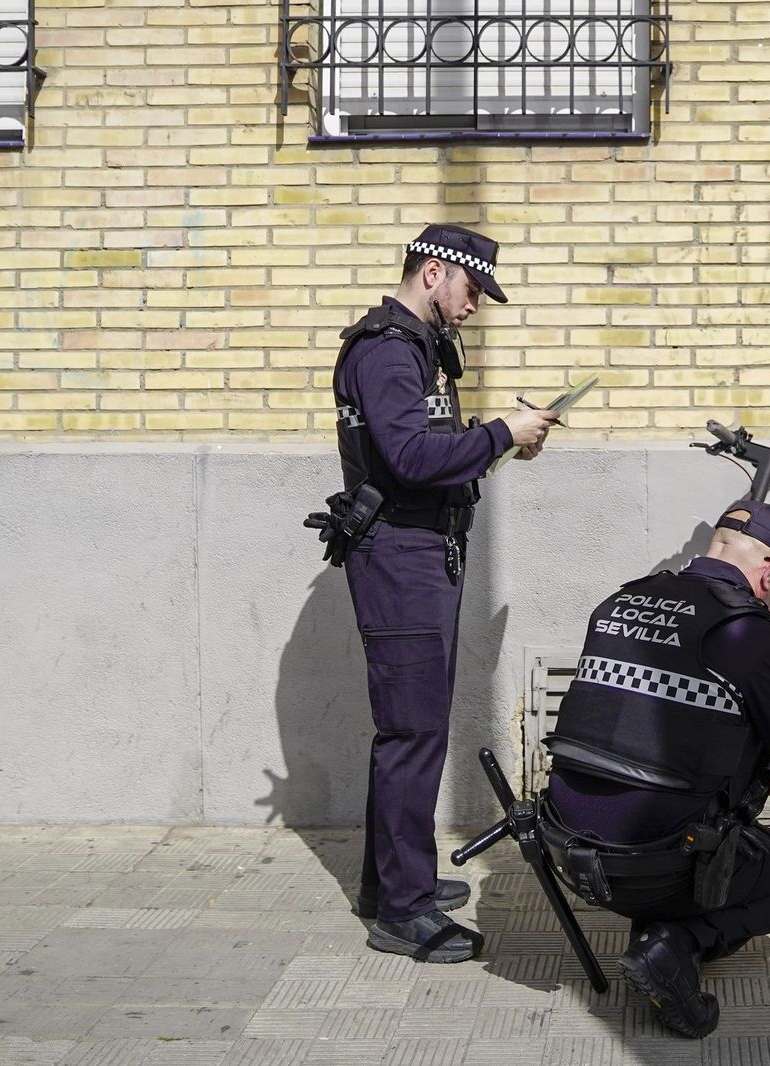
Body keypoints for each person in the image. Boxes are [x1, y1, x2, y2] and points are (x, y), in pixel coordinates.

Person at [539, 499, 770, 1037]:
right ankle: (675, 945)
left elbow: (654, 721)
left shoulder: (622, 600)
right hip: (650, 861)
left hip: (567, 847)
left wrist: (767, 762)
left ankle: (660, 928)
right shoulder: (755, 637)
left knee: (682, 828)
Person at [325, 223, 560, 963]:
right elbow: (408, 456)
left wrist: (503, 445)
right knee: (413, 734)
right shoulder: (389, 349)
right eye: (470, 291)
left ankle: (390, 883)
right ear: (434, 273)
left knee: (408, 729)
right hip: (400, 557)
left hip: (419, 551)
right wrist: (499, 430)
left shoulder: (412, 348)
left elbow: (427, 457)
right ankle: (402, 911)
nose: (473, 309)